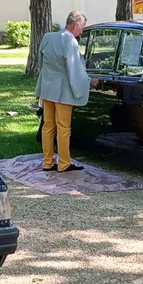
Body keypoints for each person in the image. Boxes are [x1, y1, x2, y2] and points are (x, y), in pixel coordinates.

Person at [34, 11, 98, 172]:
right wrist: (90, 81)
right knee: (63, 127)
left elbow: (41, 63)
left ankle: (48, 162)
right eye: (82, 28)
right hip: (63, 90)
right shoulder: (70, 41)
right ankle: (64, 163)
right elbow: (75, 69)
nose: (82, 32)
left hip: (47, 88)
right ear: (76, 25)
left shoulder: (48, 37)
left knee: (48, 126)